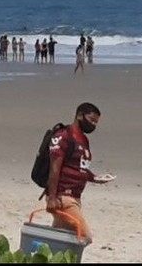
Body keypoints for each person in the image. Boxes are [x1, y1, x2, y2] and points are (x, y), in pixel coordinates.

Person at [45, 102, 113, 244]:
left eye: (96, 122)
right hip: (63, 197)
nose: (93, 125)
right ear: (80, 115)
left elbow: (79, 167)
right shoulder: (64, 135)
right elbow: (55, 168)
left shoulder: (83, 140)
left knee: (58, 237)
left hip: (76, 198)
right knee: (84, 236)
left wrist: (94, 178)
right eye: (91, 120)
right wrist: (52, 197)